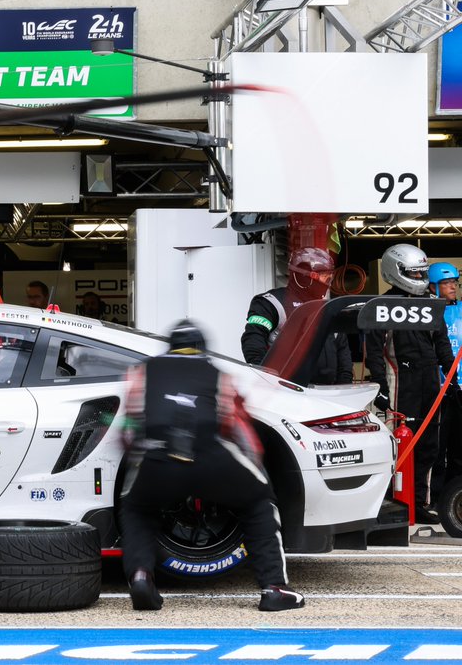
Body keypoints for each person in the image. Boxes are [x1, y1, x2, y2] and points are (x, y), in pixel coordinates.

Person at [117, 319, 304, 612]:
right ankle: (274, 589)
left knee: (136, 508)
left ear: (171, 346)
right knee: (259, 501)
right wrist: (253, 473)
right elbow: (243, 433)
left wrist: (142, 470)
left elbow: (128, 431)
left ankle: (141, 578)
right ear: (203, 349)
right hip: (212, 455)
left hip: (157, 456)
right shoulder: (220, 375)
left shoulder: (141, 371)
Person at [365, 243, 456, 525]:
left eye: (421, 274)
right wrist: (380, 385)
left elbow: (442, 345)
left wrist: (450, 379)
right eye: (413, 274)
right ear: (396, 272)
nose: (420, 279)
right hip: (397, 378)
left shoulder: (431, 305)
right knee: (395, 442)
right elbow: (374, 351)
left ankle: (419, 502)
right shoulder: (381, 306)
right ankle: (389, 502)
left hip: (429, 378)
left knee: (429, 444)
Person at [240, 247, 352, 385]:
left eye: (330, 277)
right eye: (324, 277)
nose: (327, 283)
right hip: (286, 393)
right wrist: (266, 380)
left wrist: (343, 388)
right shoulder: (272, 303)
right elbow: (253, 339)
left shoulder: (328, 309)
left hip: (327, 395)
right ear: (304, 276)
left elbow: (343, 352)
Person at [430, 262, 462, 512]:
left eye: (454, 282)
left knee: (459, 447)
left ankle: (455, 497)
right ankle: (436, 496)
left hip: (460, 388)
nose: (452, 286)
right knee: (437, 448)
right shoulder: (428, 313)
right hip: (438, 389)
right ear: (433, 286)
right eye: (446, 282)